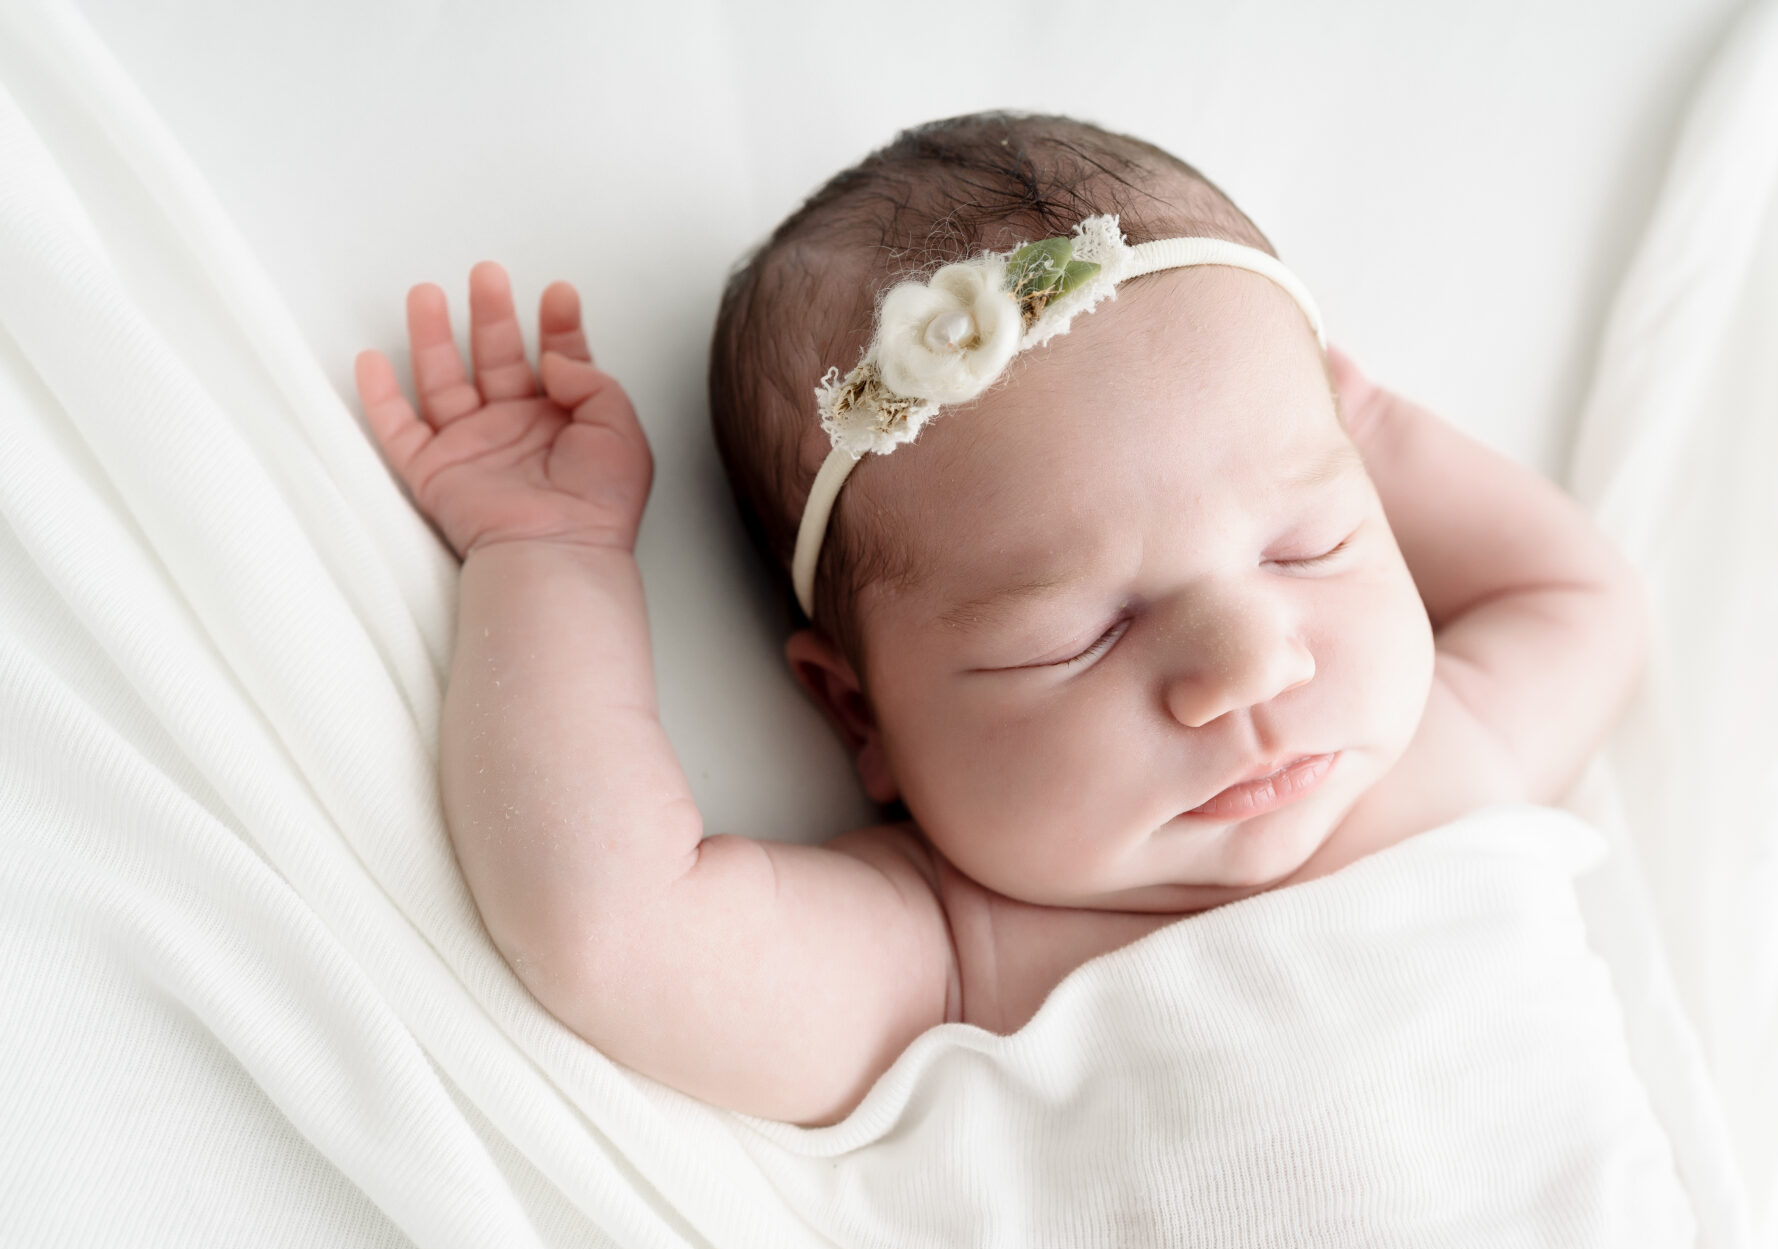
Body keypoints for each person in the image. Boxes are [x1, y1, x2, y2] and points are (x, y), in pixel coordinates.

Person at [353, 112, 1645, 1127]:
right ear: (860, 713)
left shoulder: (1444, 767)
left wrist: (1357, 418)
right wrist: (550, 559)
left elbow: (1578, 597)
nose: (1250, 663)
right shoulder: (964, 964)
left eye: (1307, 545)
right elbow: (617, 931)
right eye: (1082, 635)